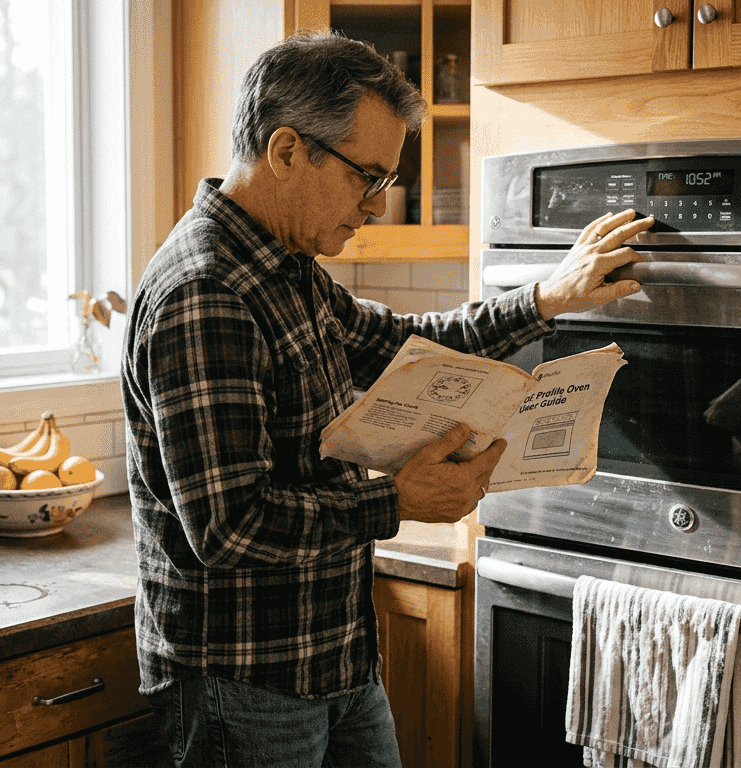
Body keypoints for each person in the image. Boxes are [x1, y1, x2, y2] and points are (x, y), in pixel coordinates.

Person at [122, 29, 654, 767]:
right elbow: (229, 526)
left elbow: (407, 345)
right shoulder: (206, 292)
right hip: (243, 680)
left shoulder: (290, 267)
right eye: (366, 176)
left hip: (334, 654)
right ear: (285, 152)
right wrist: (397, 502)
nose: (377, 204)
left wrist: (543, 299)